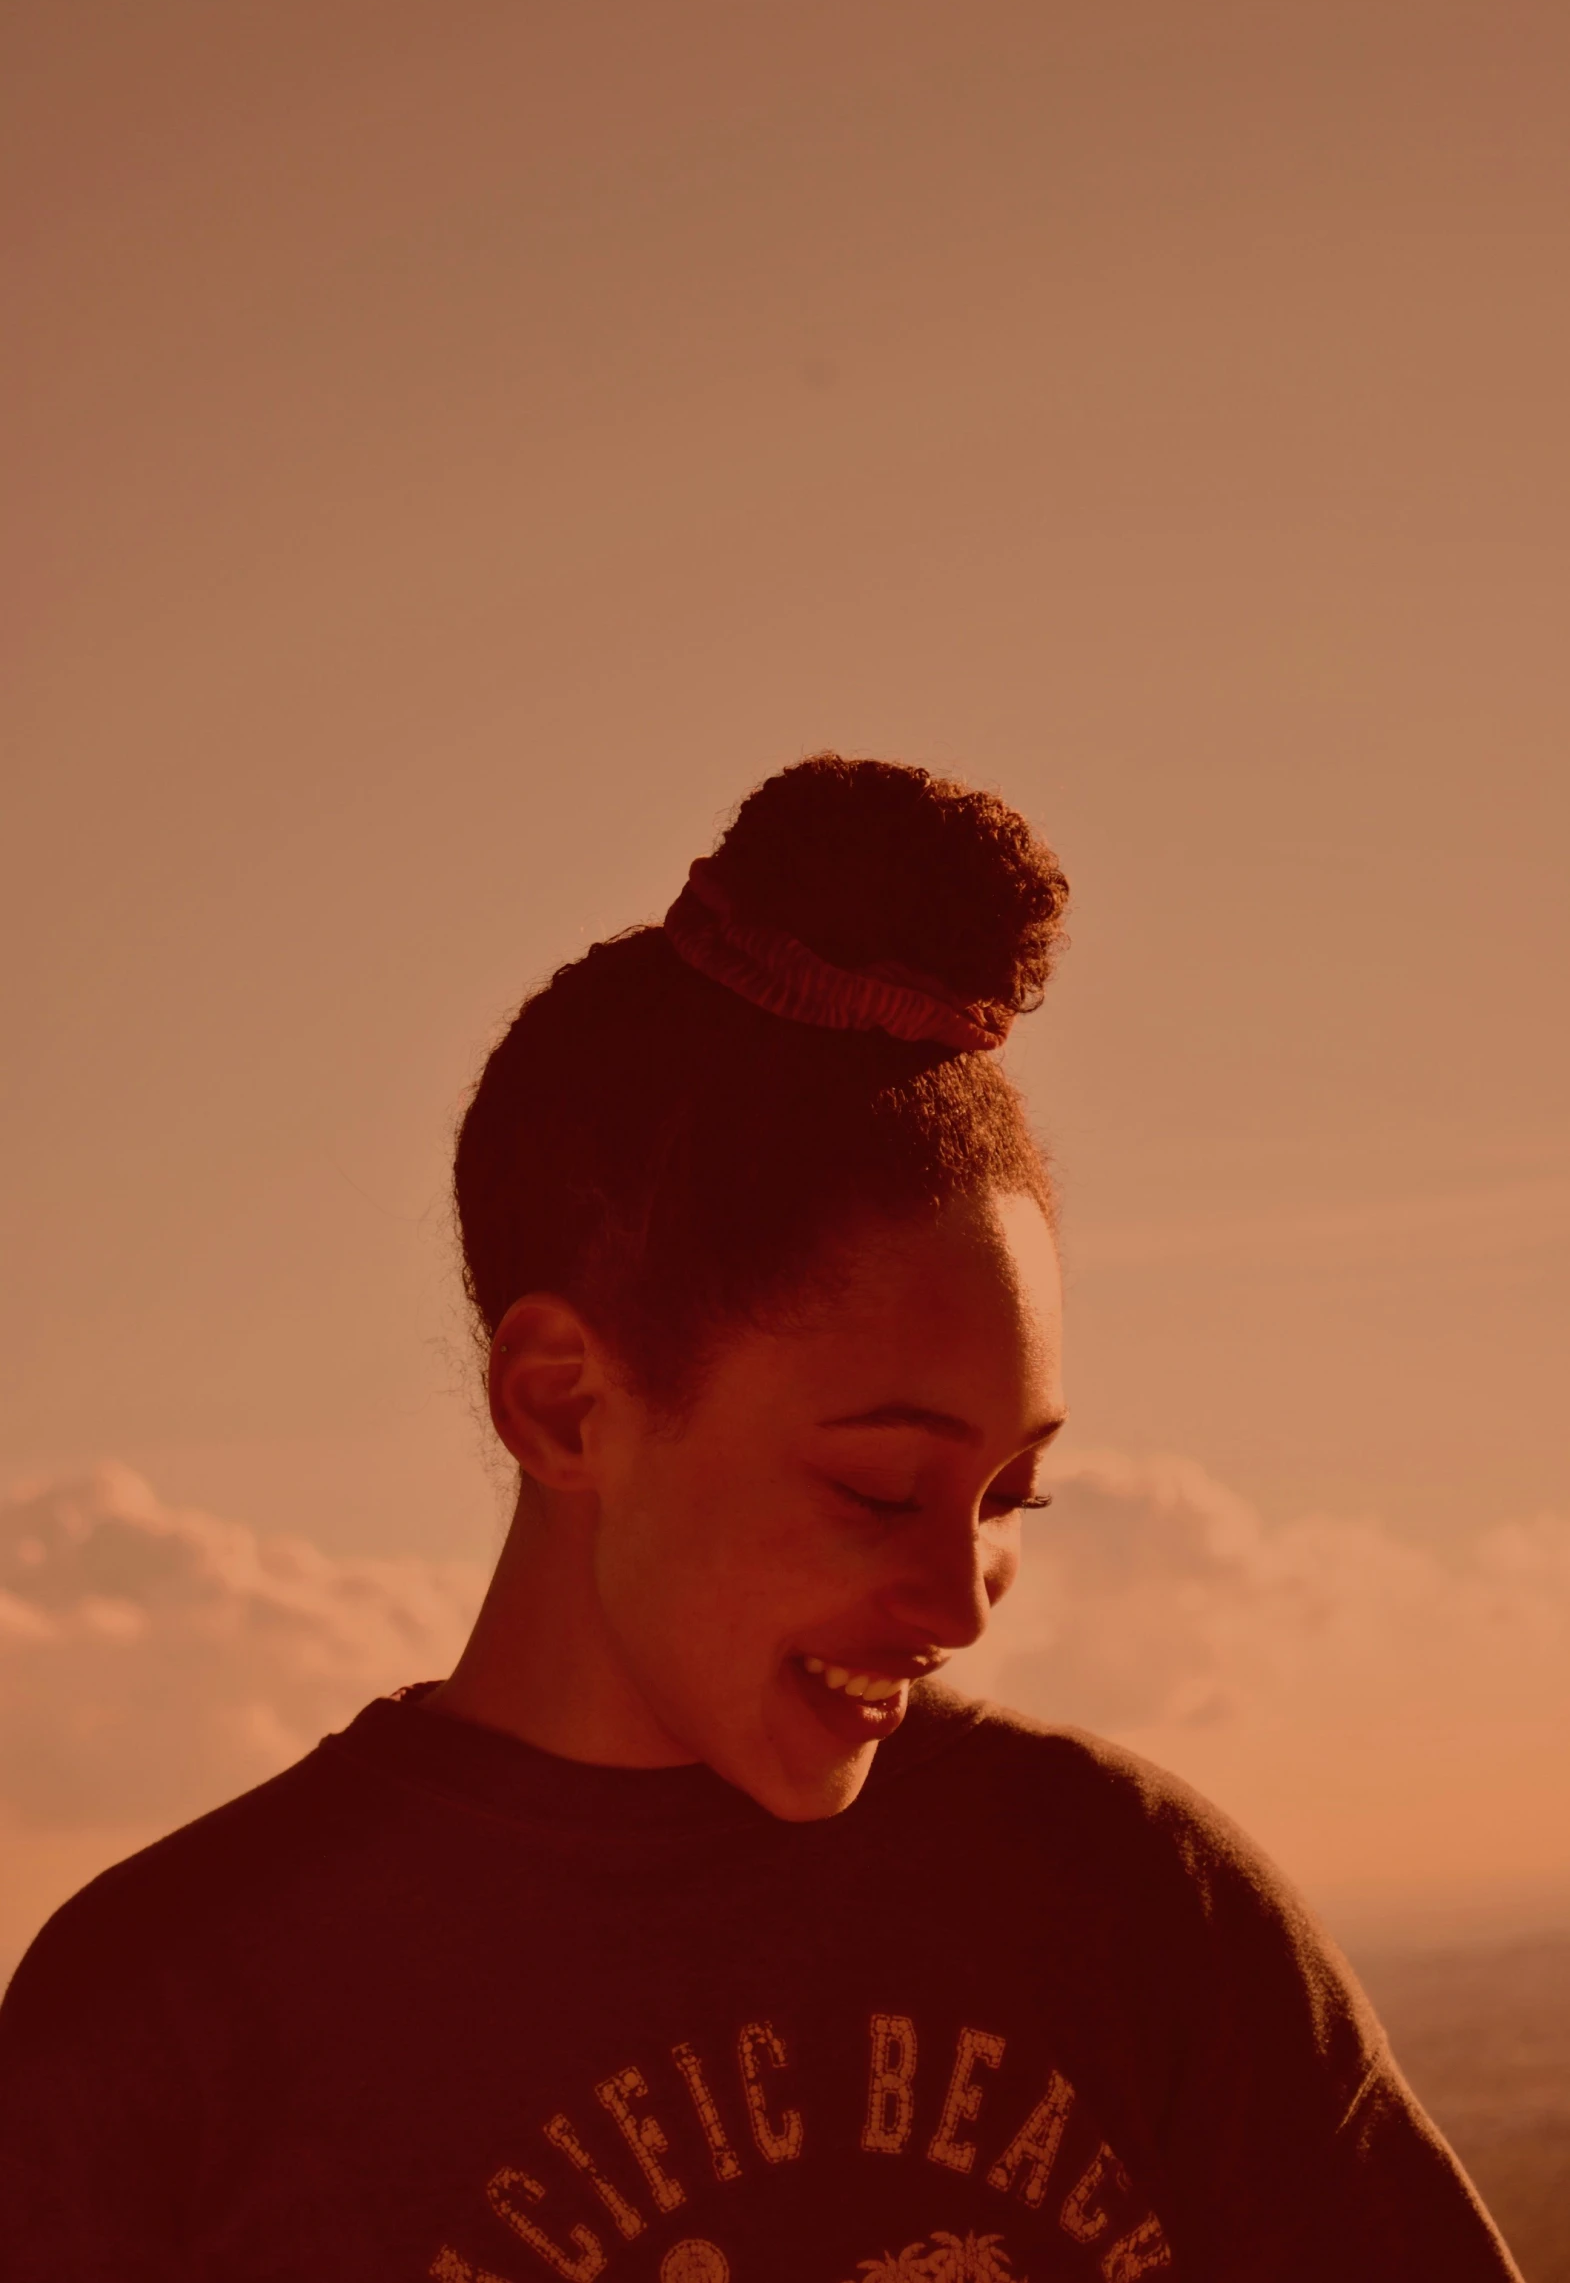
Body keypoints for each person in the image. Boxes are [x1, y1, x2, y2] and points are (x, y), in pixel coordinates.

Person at [0, 756, 1520, 2282]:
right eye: (878, 1488)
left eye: (1010, 1496)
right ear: (564, 1405)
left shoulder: (1133, 1904)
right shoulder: (165, 2028)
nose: (966, 1597)